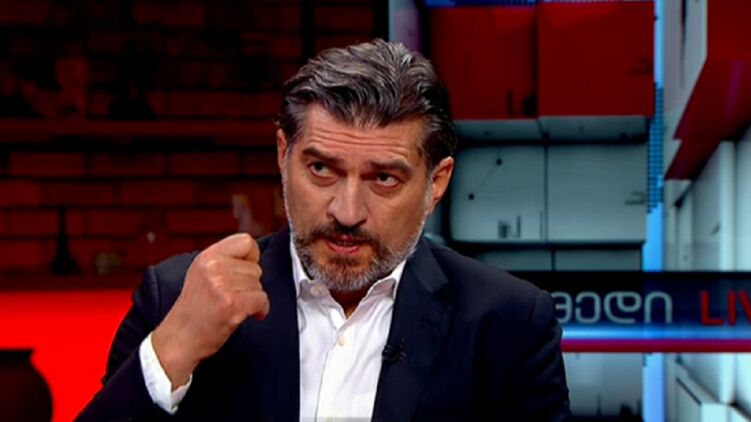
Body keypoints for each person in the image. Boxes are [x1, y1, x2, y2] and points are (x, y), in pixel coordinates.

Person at [77, 39, 570, 421]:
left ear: (436, 183)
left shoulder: (509, 324)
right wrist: (174, 348)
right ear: (282, 155)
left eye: (383, 178)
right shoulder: (174, 297)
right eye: (321, 170)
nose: (347, 211)